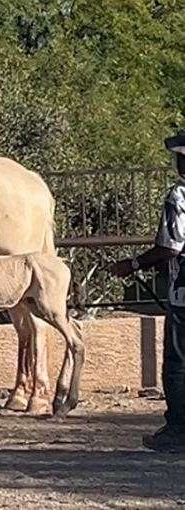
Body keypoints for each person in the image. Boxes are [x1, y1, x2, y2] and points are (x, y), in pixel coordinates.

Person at [108, 132, 185, 452]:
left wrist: (135, 263)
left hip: (183, 296)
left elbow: (171, 246)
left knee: (177, 363)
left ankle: (178, 430)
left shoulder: (178, 196)